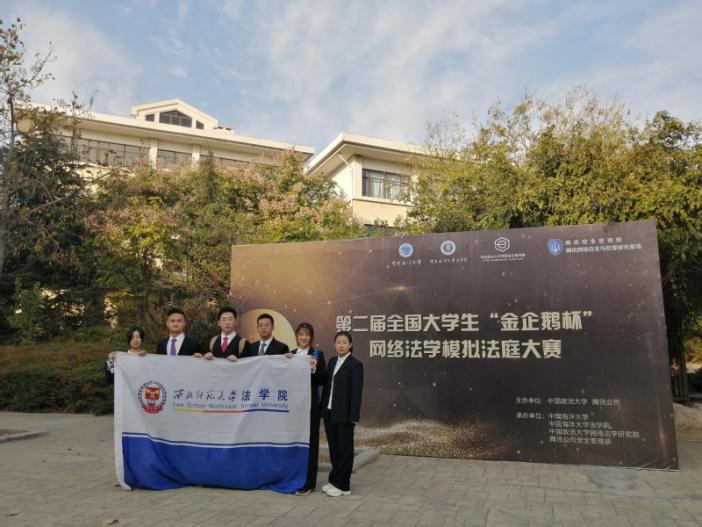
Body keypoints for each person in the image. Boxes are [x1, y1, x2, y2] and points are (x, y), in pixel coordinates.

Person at [320, 331, 363, 497]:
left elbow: (356, 392)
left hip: (345, 414)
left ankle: (344, 485)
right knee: (334, 449)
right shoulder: (332, 361)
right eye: (338, 342)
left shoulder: (355, 365)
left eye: (344, 342)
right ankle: (334, 480)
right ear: (334, 344)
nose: (341, 345)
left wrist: (354, 416)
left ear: (350, 345)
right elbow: (326, 384)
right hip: (329, 412)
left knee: (345, 450)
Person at [291, 322, 326, 496]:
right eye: (301, 334)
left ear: (311, 337)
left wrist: (313, 368)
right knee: (292, 442)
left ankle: (309, 482)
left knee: (311, 443)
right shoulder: (290, 354)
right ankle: (292, 478)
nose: (303, 338)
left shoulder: (318, 354)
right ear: (296, 336)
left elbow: (322, 379)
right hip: (292, 407)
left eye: (307, 334)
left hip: (311, 406)